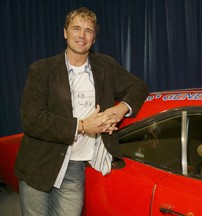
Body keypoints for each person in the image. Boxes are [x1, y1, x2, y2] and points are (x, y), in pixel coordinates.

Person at [15, 7, 148, 216]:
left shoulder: (105, 66)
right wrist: (82, 126)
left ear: (94, 38)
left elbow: (138, 86)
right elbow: (32, 118)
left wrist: (122, 108)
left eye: (88, 30)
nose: (82, 35)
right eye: (76, 28)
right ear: (65, 32)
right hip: (40, 163)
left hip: (75, 167)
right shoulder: (41, 70)